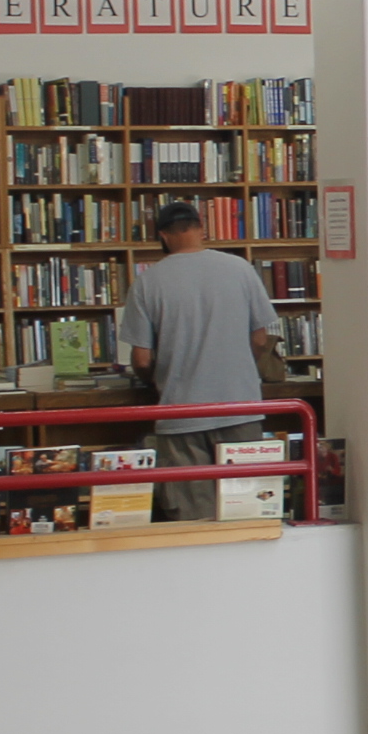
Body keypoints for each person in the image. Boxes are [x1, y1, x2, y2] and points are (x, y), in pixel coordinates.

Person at [120, 200, 279, 521]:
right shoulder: (240, 269)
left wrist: (157, 377)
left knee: (195, 521)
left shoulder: (147, 283)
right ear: (201, 228)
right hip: (240, 408)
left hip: (182, 413)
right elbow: (261, 339)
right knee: (250, 513)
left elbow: (141, 359)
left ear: (163, 235)